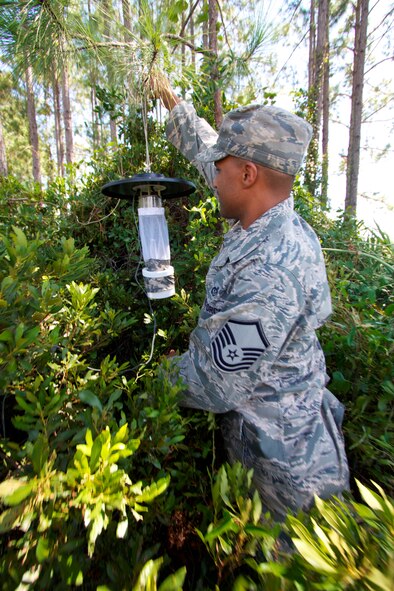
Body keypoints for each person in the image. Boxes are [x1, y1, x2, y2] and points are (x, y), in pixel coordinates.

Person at [156, 79, 349, 521]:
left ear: (248, 174)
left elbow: (214, 381)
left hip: (290, 479)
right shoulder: (264, 211)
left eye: (221, 170)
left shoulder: (272, 268)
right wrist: (174, 103)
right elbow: (212, 153)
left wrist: (151, 379)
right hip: (272, 446)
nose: (213, 178)